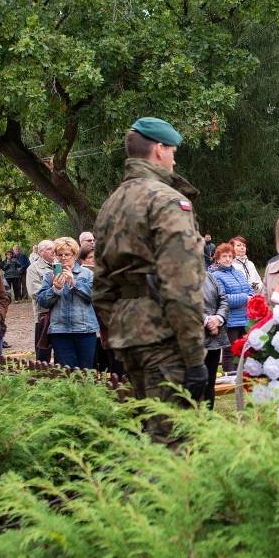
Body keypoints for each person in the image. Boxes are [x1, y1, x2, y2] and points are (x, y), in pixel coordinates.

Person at [93, 116, 208, 441]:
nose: (174, 158)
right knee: (174, 443)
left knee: (147, 436)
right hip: (165, 339)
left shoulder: (111, 205)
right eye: (172, 150)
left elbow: (100, 287)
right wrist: (195, 357)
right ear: (159, 149)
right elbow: (182, 285)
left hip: (130, 337)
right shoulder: (168, 201)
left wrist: (120, 329)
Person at [33, 237, 98, 369]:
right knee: (67, 372)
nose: (63, 258)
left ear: (74, 255)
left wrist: (74, 283)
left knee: (86, 371)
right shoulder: (50, 276)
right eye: (60, 254)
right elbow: (42, 302)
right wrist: (55, 289)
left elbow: (95, 297)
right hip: (60, 331)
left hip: (85, 330)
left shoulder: (87, 274)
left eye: (67, 254)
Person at [211, 242, 252, 373]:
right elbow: (223, 299)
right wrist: (245, 297)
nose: (227, 259)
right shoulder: (215, 276)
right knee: (230, 353)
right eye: (224, 256)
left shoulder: (239, 273)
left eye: (230, 256)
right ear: (218, 259)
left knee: (245, 352)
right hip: (230, 321)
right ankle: (229, 379)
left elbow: (250, 290)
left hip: (245, 319)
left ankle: (244, 379)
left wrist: (252, 296)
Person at [201, 270, 229, 409]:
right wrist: (206, 320)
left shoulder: (209, 276)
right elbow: (181, 305)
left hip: (214, 338)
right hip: (194, 339)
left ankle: (208, 417)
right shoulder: (177, 277)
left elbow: (223, 299)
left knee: (210, 381)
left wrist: (218, 318)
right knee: (195, 382)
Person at [27, 239, 56, 363]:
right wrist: (56, 290)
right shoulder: (34, 268)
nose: (53, 251)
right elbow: (35, 293)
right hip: (43, 314)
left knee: (61, 350)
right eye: (49, 249)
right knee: (43, 352)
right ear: (40, 252)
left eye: (54, 248)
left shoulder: (60, 264)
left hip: (61, 314)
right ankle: (42, 378)